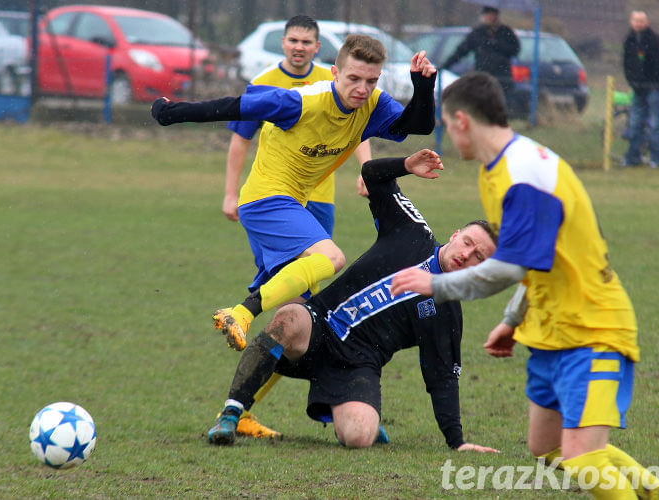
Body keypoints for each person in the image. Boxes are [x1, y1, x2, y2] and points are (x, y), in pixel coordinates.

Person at [390, 72, 659, 499]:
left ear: (462, 120)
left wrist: (438, 284)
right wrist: (513, 319)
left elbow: (507, 267)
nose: (447, 135)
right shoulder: (497, 170)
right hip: (552, 329)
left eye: (446, 125)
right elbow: (535, 260)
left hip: (593, 328)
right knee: (548, 447)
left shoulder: (523, 174)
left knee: (580, 454)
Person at [152, 36, 437, 438]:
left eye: (371, 81)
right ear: (335, 72)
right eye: (354, 78)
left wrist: (424, 85)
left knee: (296, 315)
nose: (362, 89)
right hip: (266, 199)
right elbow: (238, 106)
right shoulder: (302, 102)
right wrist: (172, 112)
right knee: (332, 257)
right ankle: (243, 311)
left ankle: (237, 413)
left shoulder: (370, 104)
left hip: (293, 205)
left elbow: (417, 125)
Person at [207, 148, 499, 452]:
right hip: (318, 326)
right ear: (454, 236)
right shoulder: (411, 230)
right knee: (290, 318)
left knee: (359, 437)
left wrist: (458, 442)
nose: (467, 255)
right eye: (467, 243)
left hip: (356, 365)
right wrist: (406, 165)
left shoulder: (447, 312)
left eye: (479, 257)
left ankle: (351, 412)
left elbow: (442, 380)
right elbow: (373, 174)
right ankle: (231, 414)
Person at [223, 15, 372, 233]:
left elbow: (355, 127)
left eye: (306, 42)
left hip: (319, 194)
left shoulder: (334, 80)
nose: (299, 47)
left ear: (317, 47)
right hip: (275, 192)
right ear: (283, 42)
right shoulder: (262, 82)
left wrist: (367, 170)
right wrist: (230, 194)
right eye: (293, 40)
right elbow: (240, 140)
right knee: (282, 264)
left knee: (322, 263)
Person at [440, 5, 519, 107]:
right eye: (488, 15)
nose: (490, 17)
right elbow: (461, 51)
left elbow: (515, 50)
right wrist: (445, 66)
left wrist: (497, 44)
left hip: (502, 76)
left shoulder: (505, 32)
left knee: (501, 105)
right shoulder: (477, 33)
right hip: (482, 75)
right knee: (482, 105)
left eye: (492, 15)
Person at [622, 10, 659, 168]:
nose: (638, 23)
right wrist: (634, 82)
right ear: (631, 22)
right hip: (638, 89)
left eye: (641, 20)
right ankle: (633, 157)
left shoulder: (655, 40)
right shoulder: (629, 40)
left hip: (655, 88)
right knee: (635, 123)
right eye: (636, 20)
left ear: (646, 22)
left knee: (656, 124)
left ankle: (657, 159)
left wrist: (651, 82)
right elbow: (627, 64)